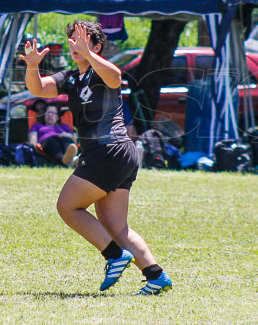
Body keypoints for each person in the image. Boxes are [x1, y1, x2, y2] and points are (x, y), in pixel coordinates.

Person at [21, 20, 172, 295]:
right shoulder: (70, 78)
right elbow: (38, 89)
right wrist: (32, 66)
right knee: (115, 225)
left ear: (97, 46)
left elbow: (116, 77)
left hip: (110, 150)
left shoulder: (101, 72)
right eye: (72, 40)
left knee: (68, 207)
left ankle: (114, 255)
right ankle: (155, 275)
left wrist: (90, 56)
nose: (75, 45)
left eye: (83, 39)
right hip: (116, 155)